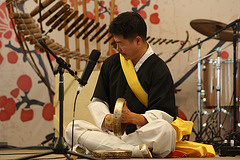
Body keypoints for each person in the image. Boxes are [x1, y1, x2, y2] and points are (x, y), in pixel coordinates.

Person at [65, 11, 177, 158]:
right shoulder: (111, 64)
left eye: (121, 44)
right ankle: (134, 152)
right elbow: (98, 100)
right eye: (116, 43)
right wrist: (106, 119)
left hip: (140, 135)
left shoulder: (159, 68)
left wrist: (133, 118)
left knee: (166, 131)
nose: (118, 49)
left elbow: (166, 114)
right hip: (113, 135)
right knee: (73, 128)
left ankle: (103, 150)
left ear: (137, 40)